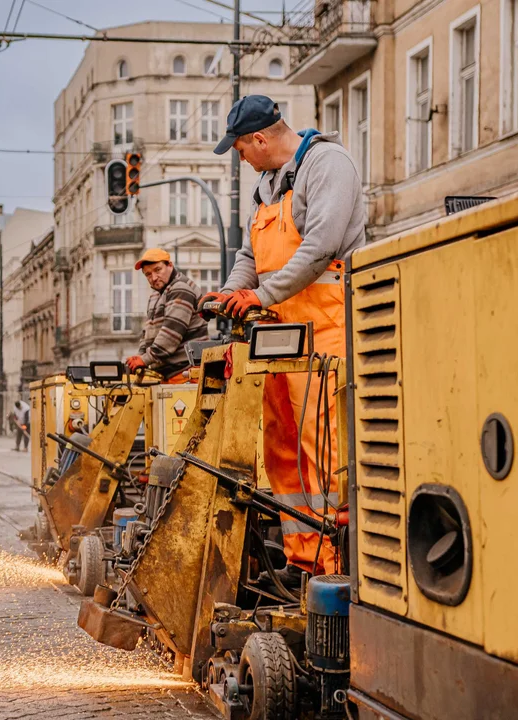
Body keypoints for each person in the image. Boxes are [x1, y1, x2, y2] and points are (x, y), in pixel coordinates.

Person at [200, 95, 365, 584]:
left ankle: (338, 562)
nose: (240, 158)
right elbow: (248, 255)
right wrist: (231, 293)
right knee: (282, 446)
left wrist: (259, 294)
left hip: (323, 330)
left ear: (260, 139)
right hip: (277, 333)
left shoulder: (327, 165)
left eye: (240, 149)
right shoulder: (267, 186)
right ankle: (303, 556)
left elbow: (320, 248)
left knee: (324, 445)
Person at [124, 248, 209, 380]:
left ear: (170, 265)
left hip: (187, 372)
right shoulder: (155, 296)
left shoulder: (180, 288)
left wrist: (144, 359)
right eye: (148, 274)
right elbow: (147, 334)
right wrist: (139, 357)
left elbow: (170, 335)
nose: (153, 278)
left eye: (158, 270)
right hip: (170, 374)